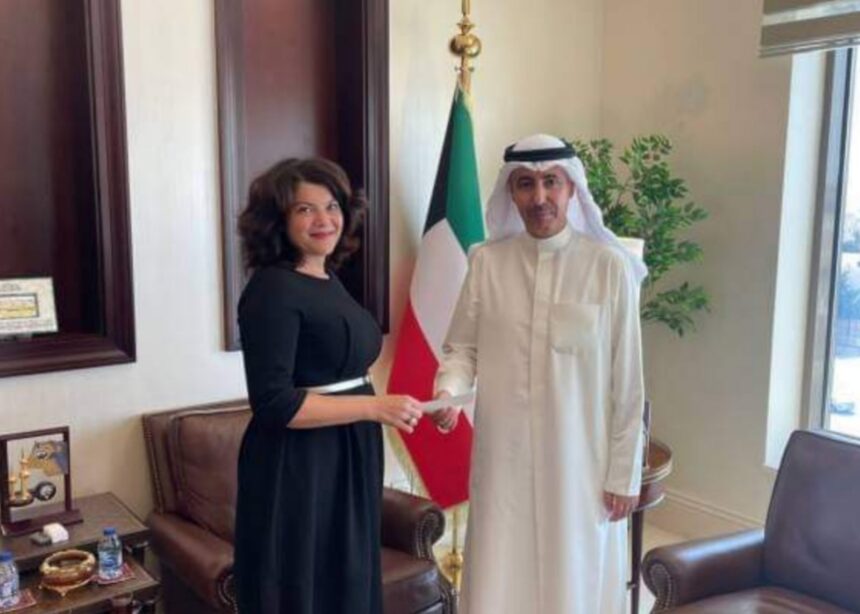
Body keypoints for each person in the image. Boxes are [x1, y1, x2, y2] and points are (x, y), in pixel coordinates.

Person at [431, 134, 648, 613]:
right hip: (503, 458)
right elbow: (462, 348)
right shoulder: (487, 263)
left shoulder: (609, 267)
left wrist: (624, 473)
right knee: (501, 571)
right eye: (526, 184)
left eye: (552, 182)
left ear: (572, 189)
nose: (540, 197)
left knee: (575, 572)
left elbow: (628, 383)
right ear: (511, 193)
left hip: (580, 461)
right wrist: (448, 391)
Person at [233, 157, 423, 614]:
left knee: (346, 584)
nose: (324, 219)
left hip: (346, 457)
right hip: (298, 467)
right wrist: (375, 408)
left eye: (332, 206)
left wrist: (408, 406)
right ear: (278, 220)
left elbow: (344, 373)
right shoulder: (272, 289)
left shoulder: (327, 279)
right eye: (305, 209)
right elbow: (274, 403)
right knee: (305, 589)